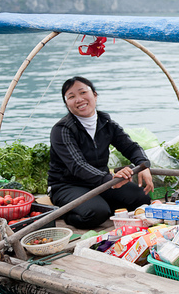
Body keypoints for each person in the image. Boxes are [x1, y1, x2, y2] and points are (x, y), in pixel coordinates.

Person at [48, 76, 154, 229]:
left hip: (100, 181)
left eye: (83, 92)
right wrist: (109, 178)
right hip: (67, 185)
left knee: (141, 197)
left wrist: (143, 165)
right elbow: (78, 165)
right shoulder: (62, 129)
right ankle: (65, 213)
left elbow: (131, 147)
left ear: (95, 95)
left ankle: (101, 203)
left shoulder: (105, 122)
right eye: (71, 97)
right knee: (96, 213)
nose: (79, 99)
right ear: (66, 103)